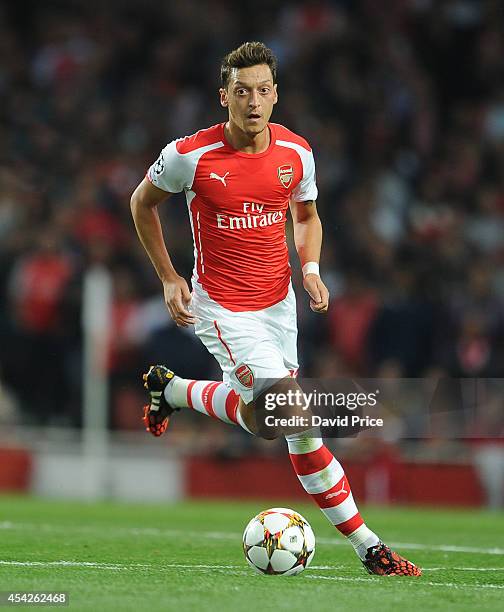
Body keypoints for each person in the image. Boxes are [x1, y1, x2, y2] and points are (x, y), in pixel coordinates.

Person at [130, 41, 421, 577]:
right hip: (222, 309)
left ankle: (171, 390)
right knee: (296, 419)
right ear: (224, 97)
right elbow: (141, 203)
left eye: (263, 90)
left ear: (276, 95)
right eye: (242, 92)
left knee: (269, 421)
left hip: (279, 306)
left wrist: (310, 268)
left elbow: (306, 216)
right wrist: (170, 278)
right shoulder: (189, 156)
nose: (254, 101)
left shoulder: (296, 153)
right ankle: (370, 546)